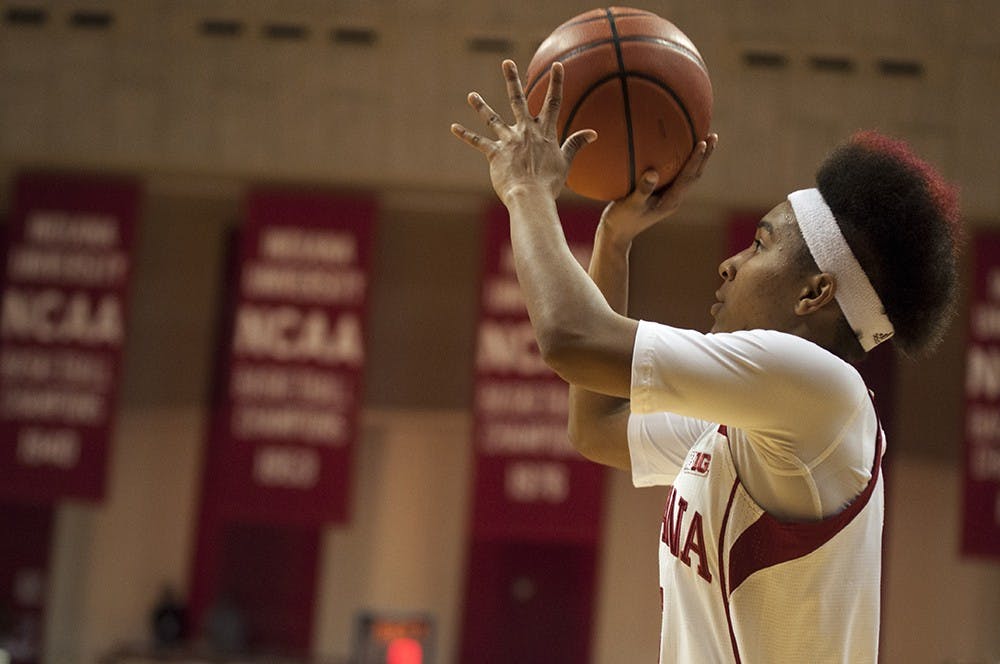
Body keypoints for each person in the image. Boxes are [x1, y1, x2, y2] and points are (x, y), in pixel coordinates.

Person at [451, 59, 961, 663]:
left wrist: (525, 191)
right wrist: (614, 240)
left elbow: (570, 338)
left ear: (815, 292)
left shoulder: (823, 393)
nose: (731, 263)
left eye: (761, 244)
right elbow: (597, 426)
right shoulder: (753, 424)